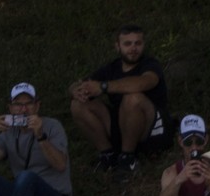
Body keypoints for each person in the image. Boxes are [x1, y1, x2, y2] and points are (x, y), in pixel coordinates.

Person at [71, 24, 169, 177]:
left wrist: (104, 86)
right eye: (127, 44)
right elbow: (80, 83)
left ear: (144, 45)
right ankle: (108, 155)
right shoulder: (112, 68)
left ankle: (127, 158)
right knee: (78, 105)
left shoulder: (150, 64)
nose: (133, 48)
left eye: (137, 43)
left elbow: (146, 82)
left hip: (151, 129)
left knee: (132, 97)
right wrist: (75, 90)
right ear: (117, 46)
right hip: (122, 125)